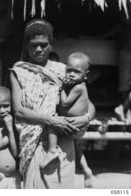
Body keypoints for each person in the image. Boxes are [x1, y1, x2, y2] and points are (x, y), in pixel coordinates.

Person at [10, 19, 95, 188]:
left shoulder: (63, 70)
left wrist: (86, 118)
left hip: (63, 141)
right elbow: (19, 111)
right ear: (26, 45)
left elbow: (88, 102)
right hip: (33, 141)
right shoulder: (19, 71)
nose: (39, 49)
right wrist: (51, 120)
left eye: (44, 44)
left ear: (51, 45)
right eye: (33, 45)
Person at [48, 51, 94, 187]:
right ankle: (86, 169)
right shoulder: (77, 85)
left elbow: (65, 103)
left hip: (75, 124)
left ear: (86, 75)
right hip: (77, 124)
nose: (72, 74)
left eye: (77, 72)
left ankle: (51, 150)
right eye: (69, 71)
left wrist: (62, 88)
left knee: (51, 123)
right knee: (75, 146)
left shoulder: (78, 87)